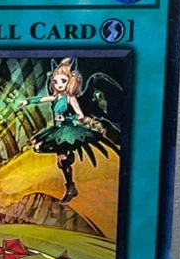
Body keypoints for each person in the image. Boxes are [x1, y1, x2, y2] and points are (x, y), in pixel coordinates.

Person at [17, 58, 119, 203]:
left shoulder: (70, 98)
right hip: (57, 130)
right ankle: (68, 165)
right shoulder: (55, 97)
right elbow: (40, 100)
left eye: (63, 81)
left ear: (70, 82)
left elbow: (80, 115)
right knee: (39, 147)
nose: (59, 84)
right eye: (56, 81)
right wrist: (27, 101)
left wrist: (70, 119)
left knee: (60, 155)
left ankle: (70, 186)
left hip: (68, 130)